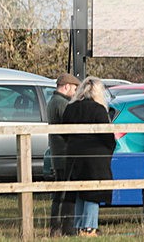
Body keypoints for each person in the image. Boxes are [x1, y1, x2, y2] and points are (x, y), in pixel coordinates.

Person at [61, 77, 116, 237]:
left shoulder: (71, 108)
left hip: (74, 155)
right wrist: (108, 149)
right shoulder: (98, 109)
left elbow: (63, 132)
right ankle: (89, 227)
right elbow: (107, 136)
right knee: (93, 192)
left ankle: (79, 227)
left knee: (78, 192)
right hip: (95, 157)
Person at [47, 72, 81, 237]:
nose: (75, 93)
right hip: (65, 154)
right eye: (74, 89)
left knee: (59, 193)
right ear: (66, 86)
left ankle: (55, 227)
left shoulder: (53, 102)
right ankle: (65, 227)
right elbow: (72, 129)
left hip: (58, 154)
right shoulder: (62, 104)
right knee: (66, 193)